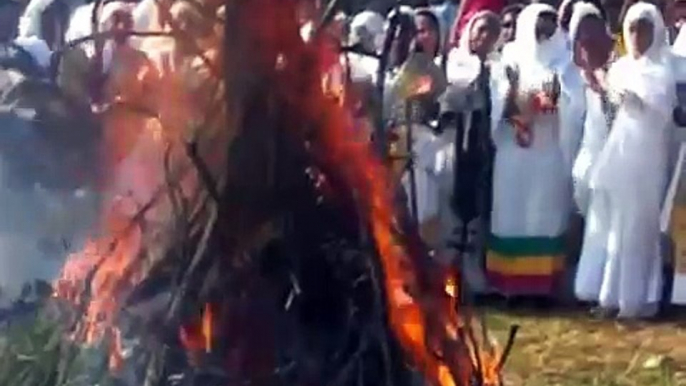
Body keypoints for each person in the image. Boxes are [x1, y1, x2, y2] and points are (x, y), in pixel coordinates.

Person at [487, 4, 584, 299]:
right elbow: (497, 98)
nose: (545, 31)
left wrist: (556, 102)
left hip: (548, 150)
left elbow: (575, 101)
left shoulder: (565, 60)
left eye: (550, 25)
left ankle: (543, 288)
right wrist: (516, 101)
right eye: (539, 25)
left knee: (545, 215)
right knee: (511, 214)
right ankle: (510, 286)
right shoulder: (510, 57)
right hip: (513, 151)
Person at [589, 1, 675, 319]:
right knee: (616, 226)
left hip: (647, 156)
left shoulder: (660, 70)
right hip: (620, 154)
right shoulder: (621, 67)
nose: (639, 36)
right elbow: (611, 108)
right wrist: (604, 91)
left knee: (640, 226)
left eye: (645, 29)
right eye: (634, 29)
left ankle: (636, 299)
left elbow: (660, 115)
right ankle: (610, 295)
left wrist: (634, 101)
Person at [440, 11, 502, 294]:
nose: (484, 37)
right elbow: (437, 102)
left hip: (483, 143)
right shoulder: (452, 63)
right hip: (455, 142)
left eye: (491, 32)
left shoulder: (499, 68)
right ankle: (449, 277)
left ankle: (472, 271)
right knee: (454, 205)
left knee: (477, 206)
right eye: (480, 30)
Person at [569, 2, 615, 305]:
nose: (589, 44)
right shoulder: (569, 76)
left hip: (613, 162)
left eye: (594, 36)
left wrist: (602, 89)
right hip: (581, 158)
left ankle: (601, 287)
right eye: (583, 38)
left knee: (604, 224)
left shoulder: (616, 73)